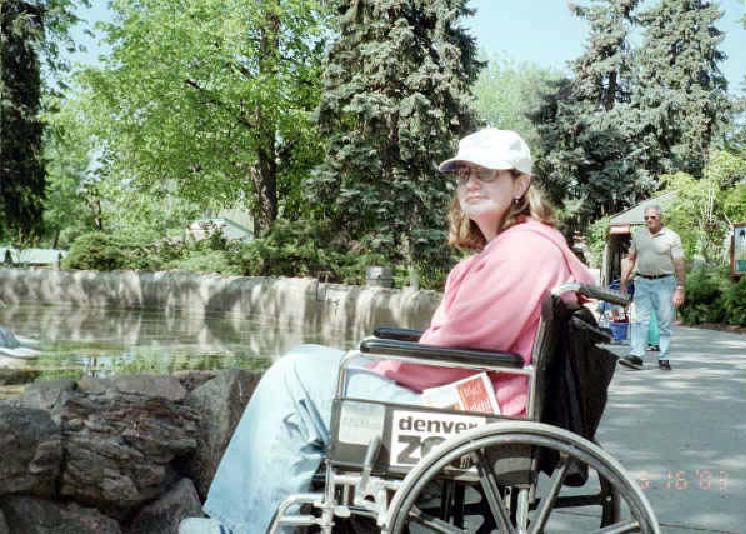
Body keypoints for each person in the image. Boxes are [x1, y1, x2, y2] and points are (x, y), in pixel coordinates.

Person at [180, 128, 593, 534]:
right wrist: (383, 363)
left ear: (520, 184)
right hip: (474, 397)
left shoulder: (523, 252)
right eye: (464, 173)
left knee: (297, 376)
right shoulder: (517, 248)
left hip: (477, 415)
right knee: (308, 359)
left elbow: (463, 346)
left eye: (487, 173)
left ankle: (237, 527)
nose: (471, 183)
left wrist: (384, 367)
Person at [618, 205, 685, 371]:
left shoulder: (671, 237)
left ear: (660, 218)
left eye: (653, 217)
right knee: (640, 320)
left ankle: (664, 357)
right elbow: (631, 259)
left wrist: (680, 287)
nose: (649, 220)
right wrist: (623, 282)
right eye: (646, 217)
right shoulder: (639, 235)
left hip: (665, 283)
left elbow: (679, 263)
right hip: (642, 282)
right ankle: (636, 355)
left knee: (664, 322)